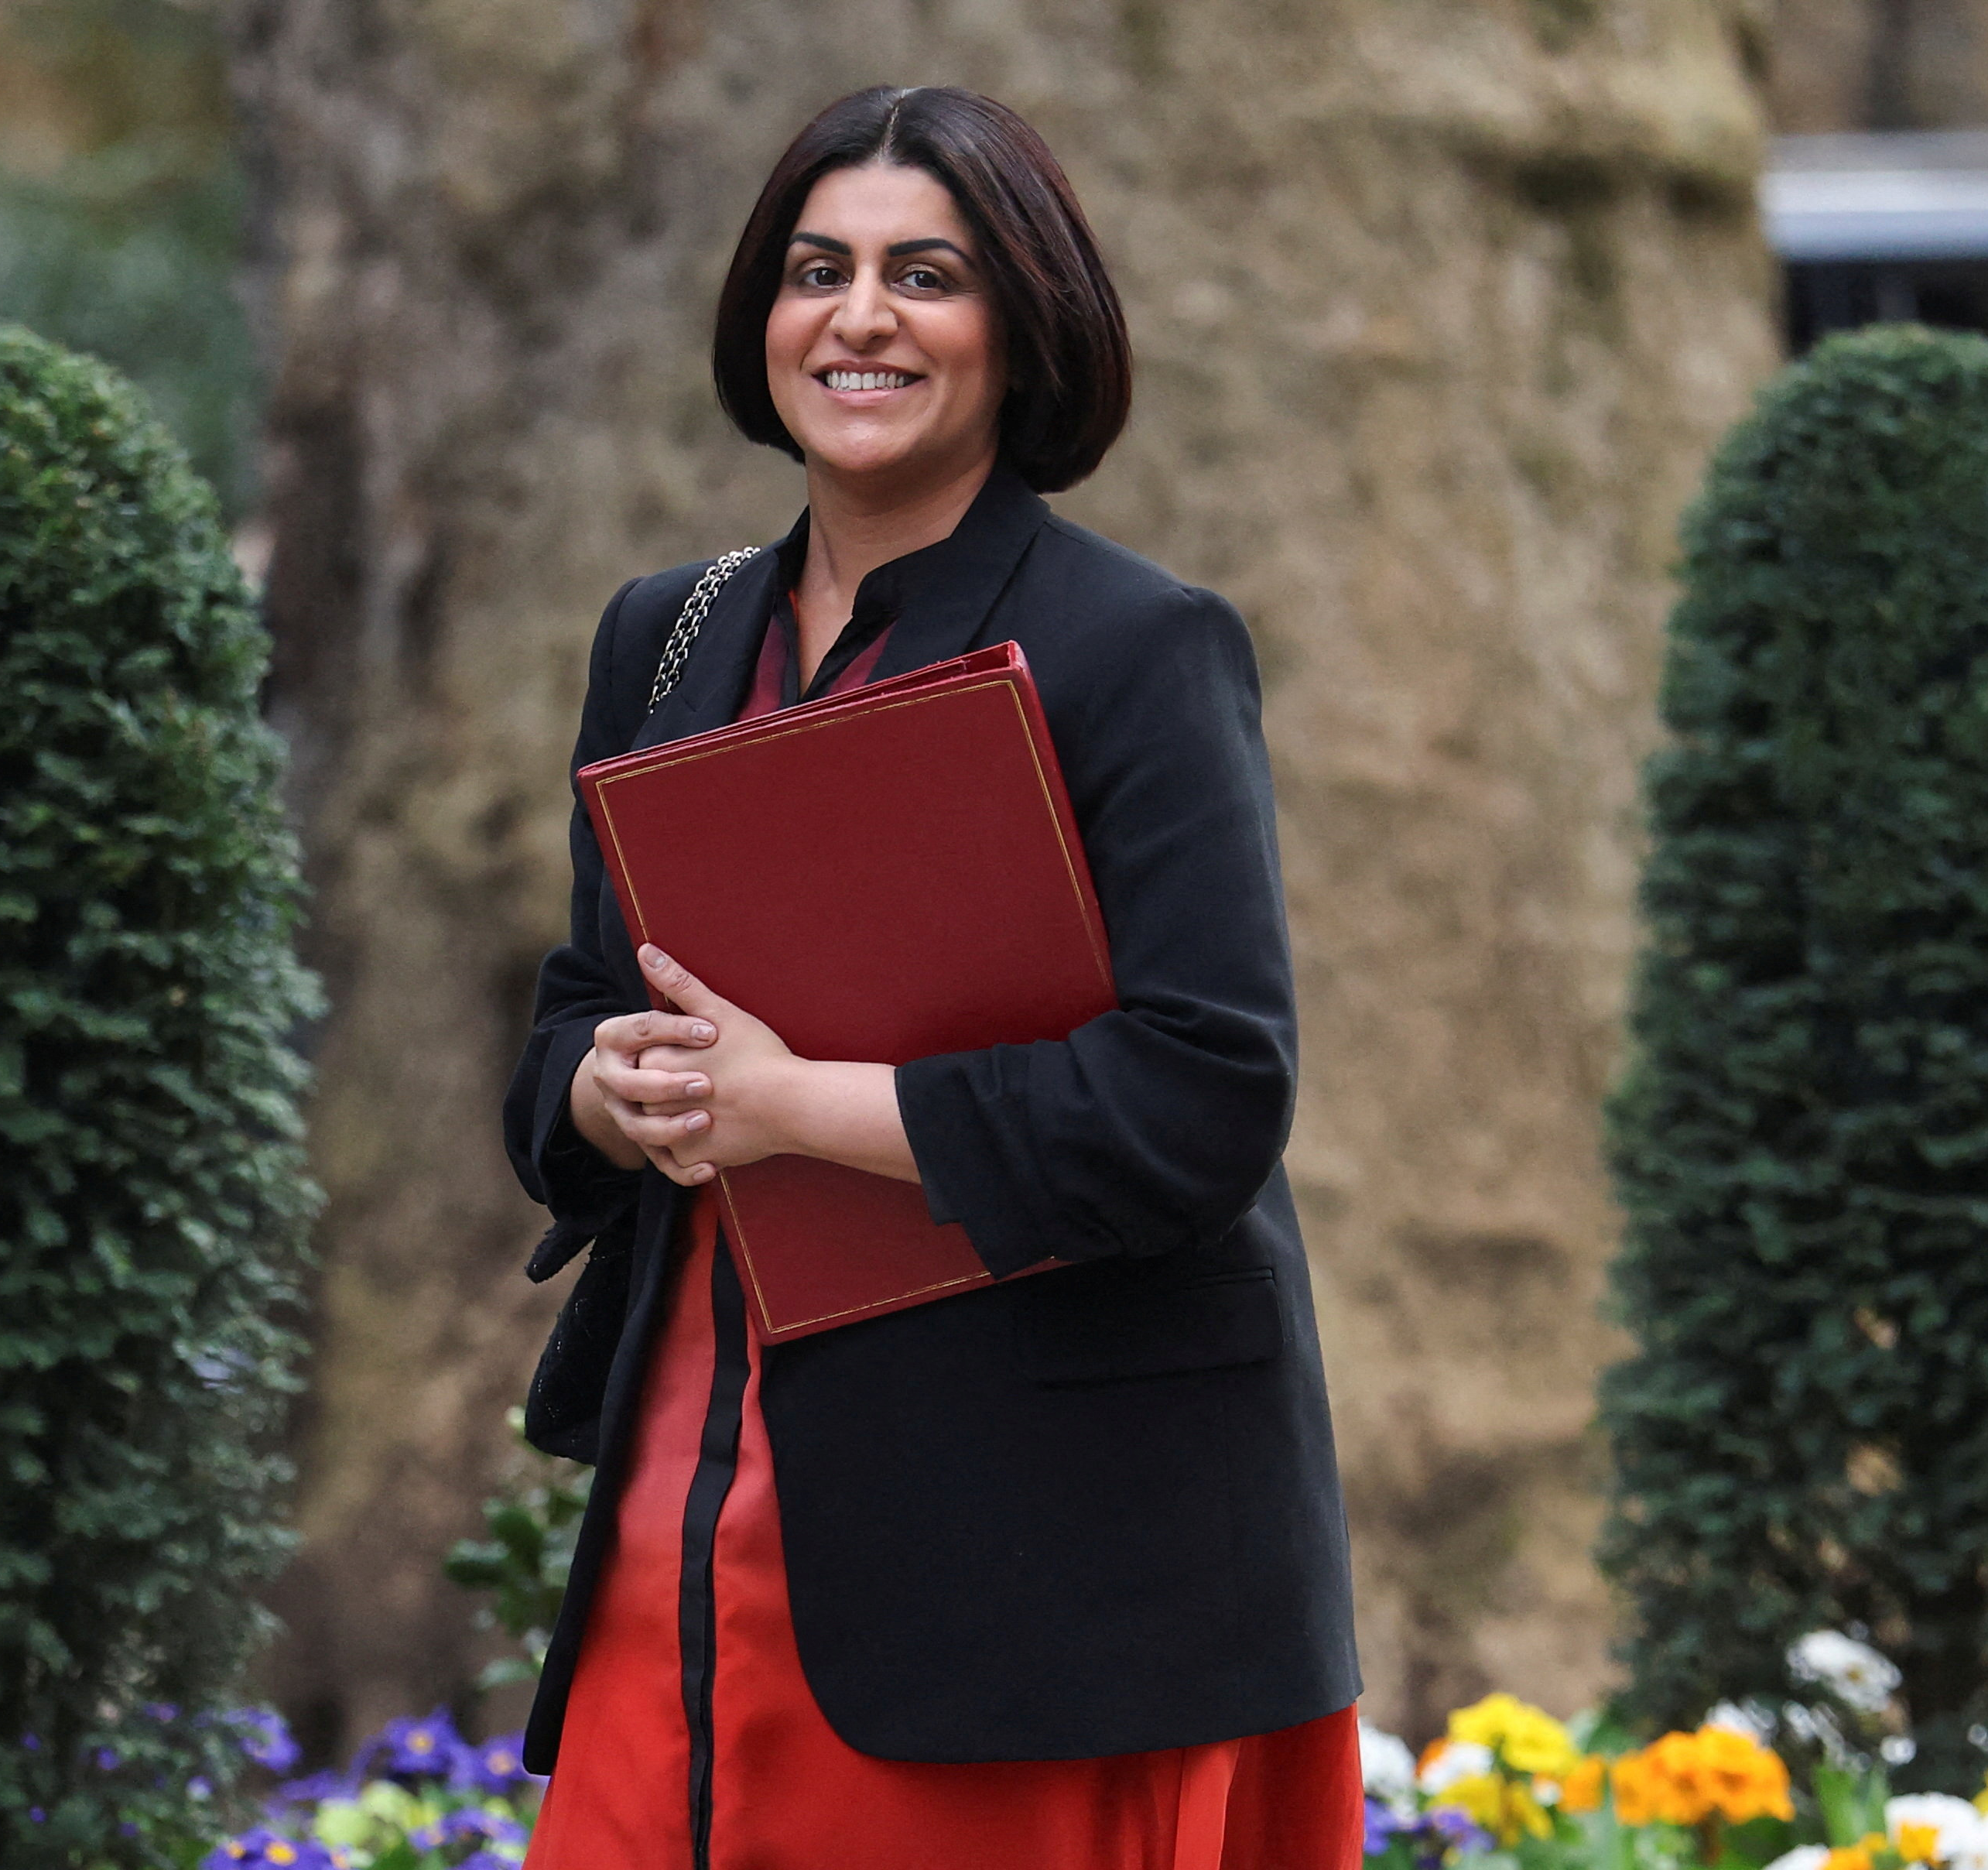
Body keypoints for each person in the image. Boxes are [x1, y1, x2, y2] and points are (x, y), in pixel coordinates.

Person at [502, 84, 1361, 1870]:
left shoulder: (1134, 647)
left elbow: (1202, 1093)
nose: (860, 317)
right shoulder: (666, 634)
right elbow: (572, 1011)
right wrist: (610, 1084)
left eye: (925, 274)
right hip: (693, 1486)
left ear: (1020, 323)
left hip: (1033, 1549)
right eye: (817, 270)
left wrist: (792, 1104)